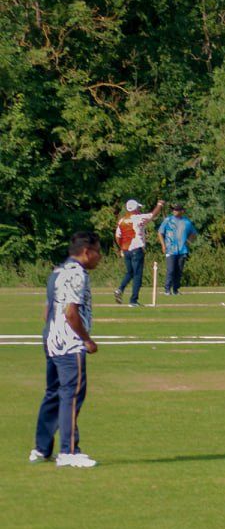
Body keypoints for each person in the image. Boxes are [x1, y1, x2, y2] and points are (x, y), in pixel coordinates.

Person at [31, 232, 103, 468]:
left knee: (53, 393)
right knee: (71, 396)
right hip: (70, 343)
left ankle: (41, 449)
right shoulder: (77, 274)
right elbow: (71, 312)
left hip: (51, 340)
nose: (99, 257)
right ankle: (69, 451)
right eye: (98, 252)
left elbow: (47, 311)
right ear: (86, 252)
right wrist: (87, 340)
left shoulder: (57, 271)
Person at [113, 198, 165, 306]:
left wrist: (121, 247)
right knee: (137, 275)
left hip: (126, 250)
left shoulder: (121, 221)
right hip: (136, 249)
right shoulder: (138, 218)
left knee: (130, 272)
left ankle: (120, 289)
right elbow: (153, 214)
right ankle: (133, 300)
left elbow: (118, 236)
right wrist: (159, 205)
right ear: (135, 208)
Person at [157, 205, 197, 296]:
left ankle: (175, 290)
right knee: (170, 270)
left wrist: (188, 241)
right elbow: (160, 233)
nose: (174, 211)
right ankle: (167, 289)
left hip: (182, 250)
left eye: (177, 210)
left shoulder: (187, 221)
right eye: (174, 210)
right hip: (170, 249)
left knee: (179, 271)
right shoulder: (168, 220)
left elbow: (193, 233)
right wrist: (163, 245)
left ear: (182, 211)